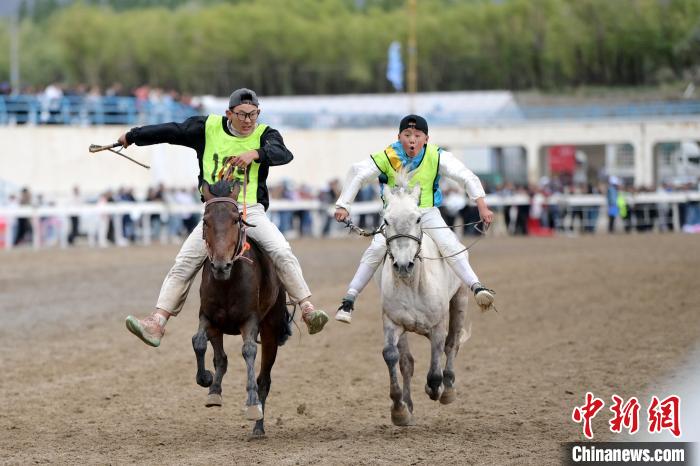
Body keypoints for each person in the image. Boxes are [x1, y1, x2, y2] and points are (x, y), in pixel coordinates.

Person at [120, 88, 328, 347]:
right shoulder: (206, 128)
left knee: (282, 251)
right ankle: (157, 322)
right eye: (242, 114)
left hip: (249, 210)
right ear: (229, 113)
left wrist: (256, 154)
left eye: (253, 114)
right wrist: (133, 135)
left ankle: (307, 309)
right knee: (183, 263)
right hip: (215, 213)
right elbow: (171, 131)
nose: (248, 120)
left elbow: (283, 153)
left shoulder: (266, 135)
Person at [333, 115, 496, 323]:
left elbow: (465, 176)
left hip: (426, 214)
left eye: (417, 135)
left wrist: (482, 205)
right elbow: (359, 174)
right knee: (375, 248)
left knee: (450, 244)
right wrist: (343, 205)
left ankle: (477, 287)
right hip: (396, 217)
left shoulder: (437, 156)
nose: (412, 140)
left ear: (426, 138)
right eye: (407, 135)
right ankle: (349, 299)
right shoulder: (388, 156)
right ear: (399, 136)